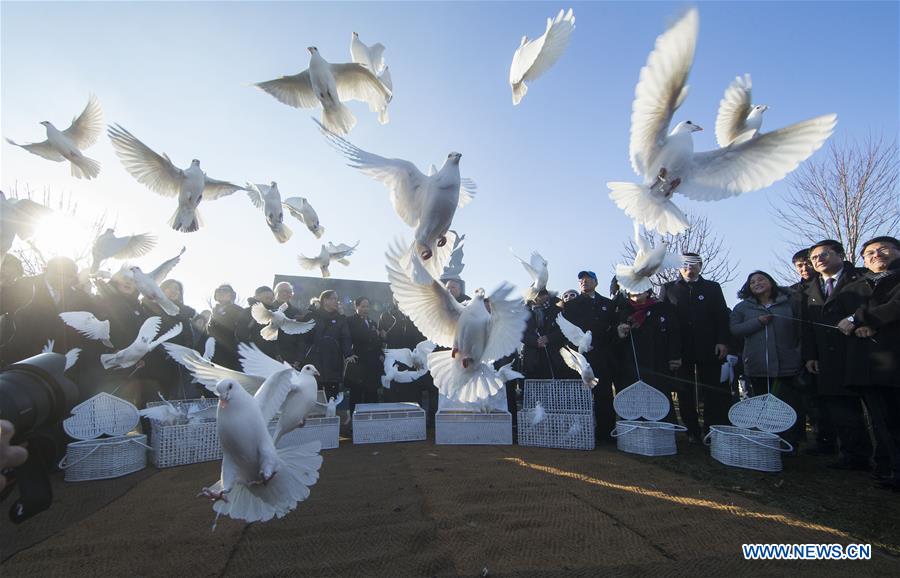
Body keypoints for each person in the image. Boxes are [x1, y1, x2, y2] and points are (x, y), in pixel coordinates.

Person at [800, 240, 871, 470]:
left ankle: (885, 457)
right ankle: (853, 455)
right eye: (814, 258)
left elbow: (876, 303)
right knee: (841, 409)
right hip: (827, 357)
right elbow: (807, 325)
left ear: (840, 255)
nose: (818, 260)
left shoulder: (863, 277)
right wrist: (811, 355)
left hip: (862, 351)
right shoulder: (812, 288)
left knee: (876, 409)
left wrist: (860, 321)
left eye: (824, 255)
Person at [839, 236, 900, 489]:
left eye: (882, 249)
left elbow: (895, 306)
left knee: (895, 418)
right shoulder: (859, 284)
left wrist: (862, 321)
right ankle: (887, 466)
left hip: (893, 359)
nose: (876, 255)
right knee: (880, 419)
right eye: (869, 253)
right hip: (866, 363)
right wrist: (858, 324)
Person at [659, 253, 731, 442]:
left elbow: (722, 316)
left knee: (711, 389)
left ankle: (710, 428)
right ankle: (692, 430)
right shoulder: (668, 289)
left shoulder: (712, 288)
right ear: (678, 267)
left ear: (700, 266)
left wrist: (722, 341)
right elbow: (663, 319)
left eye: (693, 264)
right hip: (681, 349)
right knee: (684, 390)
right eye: (684, 264)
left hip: (709, 346)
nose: (689, 268)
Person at [729, 271, 804, 446]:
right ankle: (767, 440)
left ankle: (790, 441)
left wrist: (799, 354)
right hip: (758, 365)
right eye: (752, 281)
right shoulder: (742, 308)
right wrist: (758, 322)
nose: (757, 283)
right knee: (763, 404)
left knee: (788, 405)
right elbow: (735, 330)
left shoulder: (789, 303)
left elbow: (800, 330)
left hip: (787, 364)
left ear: (771, 282)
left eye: (761, 279)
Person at [563, 270, 616, 443]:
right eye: (581, 280)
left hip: (602, 356)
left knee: (604, 396)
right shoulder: (570, 305)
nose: (584, 282)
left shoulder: (607, 304)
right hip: (581, 359)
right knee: (579, 398)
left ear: (596, 282)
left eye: (588, 279)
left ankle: (605, 433)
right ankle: (580, 433)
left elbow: (612, 328)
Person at [613, 288, 681, 423]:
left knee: (659, 395)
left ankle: (662, 430)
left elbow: (674, 332)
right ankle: (633, 431)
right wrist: (619, 334)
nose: (636, 291)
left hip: (657, 362)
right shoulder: (621, 310)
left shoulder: (662, 308)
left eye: (640, 287)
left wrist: (675, 355)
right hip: (631, 365)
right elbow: (611, 340)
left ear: (648, 291)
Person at [140, 279, 197, 399]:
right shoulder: (150, 306)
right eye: (170, 287)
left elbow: (189, 337)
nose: (174, 291)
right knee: (155, 394)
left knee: (177, 394)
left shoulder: (185, 313)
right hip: (154, 356)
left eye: (177, 289)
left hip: (177, 358)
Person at [302, 290, 352, 402]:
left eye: (336, 299)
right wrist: (300, 358)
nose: (336, 301)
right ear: (325, 300)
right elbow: (303, 339)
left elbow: (345, 337)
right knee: (313, 396)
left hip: (333, 361)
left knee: (331, 397)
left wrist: (348, 354)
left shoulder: (340, 319)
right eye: (333, 298)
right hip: (315, 360)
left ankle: (330, 418)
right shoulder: (311, 316)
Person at [345, 297, 384, 410]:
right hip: (358, 364)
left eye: (367, 306)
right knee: (356, 396)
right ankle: (354, 423)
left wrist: (381, 354)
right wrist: (373, 334)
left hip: (372, 365)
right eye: (362, 306)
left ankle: (371, 425)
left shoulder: (372, 322)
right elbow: (358, 337)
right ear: (356, 307)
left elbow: (378, 342)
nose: (365, 309)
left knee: (372, 395)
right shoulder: (350, 321)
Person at [521, 289, 566, 380]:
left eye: (542, 293)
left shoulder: (558, 306)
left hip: (556, 358)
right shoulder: (523, 311)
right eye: (536, 293)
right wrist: (535, 341)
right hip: (532, 359)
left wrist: (548, 338)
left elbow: (565, 330)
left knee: (555, 389)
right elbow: (519, 332)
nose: (539, 296)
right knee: (534, 390)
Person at [236, 286, 279, 359]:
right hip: (249, 353)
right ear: (257, 297)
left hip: (269, 355)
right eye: (266, 298)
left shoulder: (274, 314)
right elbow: (240, 333)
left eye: (271, 299)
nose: (269, 301)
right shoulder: (247, 312)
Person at [207, 284, 242, 370]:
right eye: (219, 291)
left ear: (232, 295)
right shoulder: (214, 311)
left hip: (230, 353)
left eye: (225, 291)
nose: (221, 293)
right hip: (213, 351)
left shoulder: (238, 310)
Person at [273, 281, 306, 365]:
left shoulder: (297, 312)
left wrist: (299, 358)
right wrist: (276, 353)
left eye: (288, 291)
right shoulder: (269, 309)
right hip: (270, 355)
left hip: (291, 357)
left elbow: (301, 338)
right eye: (282, 291)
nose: (285, 293)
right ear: (276, 292)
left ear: (291, 294)